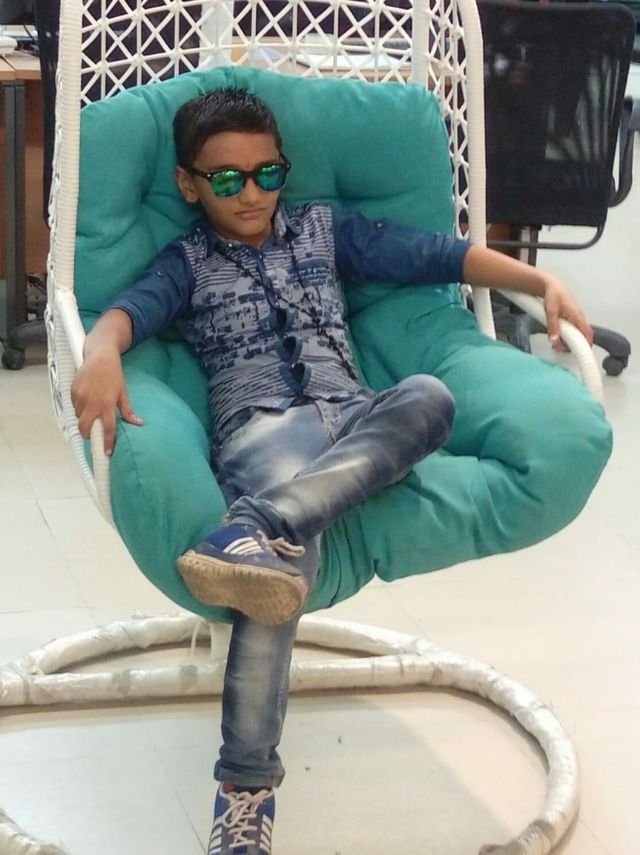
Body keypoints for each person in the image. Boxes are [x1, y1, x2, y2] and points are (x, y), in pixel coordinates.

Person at [71, 87, 593, 854]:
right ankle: (245, 791)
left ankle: (261, 524)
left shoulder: (323, 229)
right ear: (188, 183)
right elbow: (125, 313)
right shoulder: (185, 262)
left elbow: (434, 254)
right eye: (226, 179)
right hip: (264, 434)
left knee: (429, 397)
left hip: (356, 415)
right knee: (282, 572)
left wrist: (537, 281)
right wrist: (99, 352)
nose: (252, 193)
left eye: (268, 173)